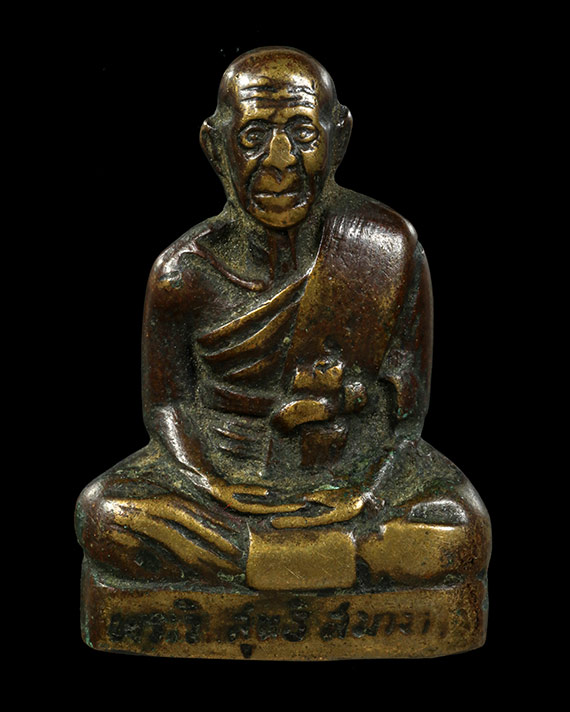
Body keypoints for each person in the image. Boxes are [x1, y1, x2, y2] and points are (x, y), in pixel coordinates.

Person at [76, 47, 490, 592]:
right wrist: (208, 482)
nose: (279, 160)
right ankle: (322, 564)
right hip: (226, 490)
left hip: (348, 483)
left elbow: (405, 414)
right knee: (105, 512)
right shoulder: (183, 274)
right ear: (214, 146)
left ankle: (258, 565)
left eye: (303, 134)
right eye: (253, 136)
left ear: (339, 138)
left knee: (460, 526)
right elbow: (167, 406)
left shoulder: (385, 248)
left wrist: (365, 490)